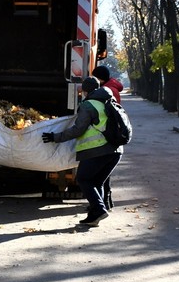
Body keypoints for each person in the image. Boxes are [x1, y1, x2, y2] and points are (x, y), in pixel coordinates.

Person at [41, 76, 122, 227]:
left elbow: (78, 130)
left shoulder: (88, 105)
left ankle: (98, 209)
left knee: (84, 179)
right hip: (116, 150)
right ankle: (94, 216)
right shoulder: (109, 101)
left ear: (85, 91)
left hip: (97, 149)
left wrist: (55, 137)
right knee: (97, 182)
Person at [92, 65, 123, 208]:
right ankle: (107, 201)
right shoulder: (113, 87)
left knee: (102, 172)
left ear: (100, 78)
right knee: (105, 172)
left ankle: (103, 202)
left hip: (108, 133)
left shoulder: (107, 91)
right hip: (113, 132)